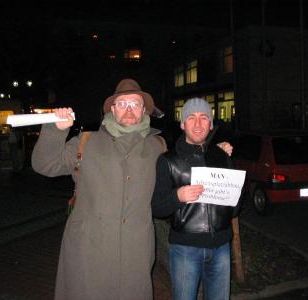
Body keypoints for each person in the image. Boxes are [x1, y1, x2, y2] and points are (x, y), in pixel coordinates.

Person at [31, 78, 167, 300]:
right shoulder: (86, 141)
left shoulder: (158, 146)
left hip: (136, 248)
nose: (129, 110)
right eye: (122, 104)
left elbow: (182, 170)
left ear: (144, 110)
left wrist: (214, 153)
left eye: (135, 103)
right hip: (89, 248)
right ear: (112, 109)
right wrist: (55, 130)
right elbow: (45, 164)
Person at [152, 98, 242, 300]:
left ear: (210, 124)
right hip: (185, 249)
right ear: (183, 124)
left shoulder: (223, 156)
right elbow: (156, 208)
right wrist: (178, 196)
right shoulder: (167, 160)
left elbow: (234, 209)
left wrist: (236, 192)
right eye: (191, 118)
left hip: (221, 247)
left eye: (204, 118)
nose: (198, 124)